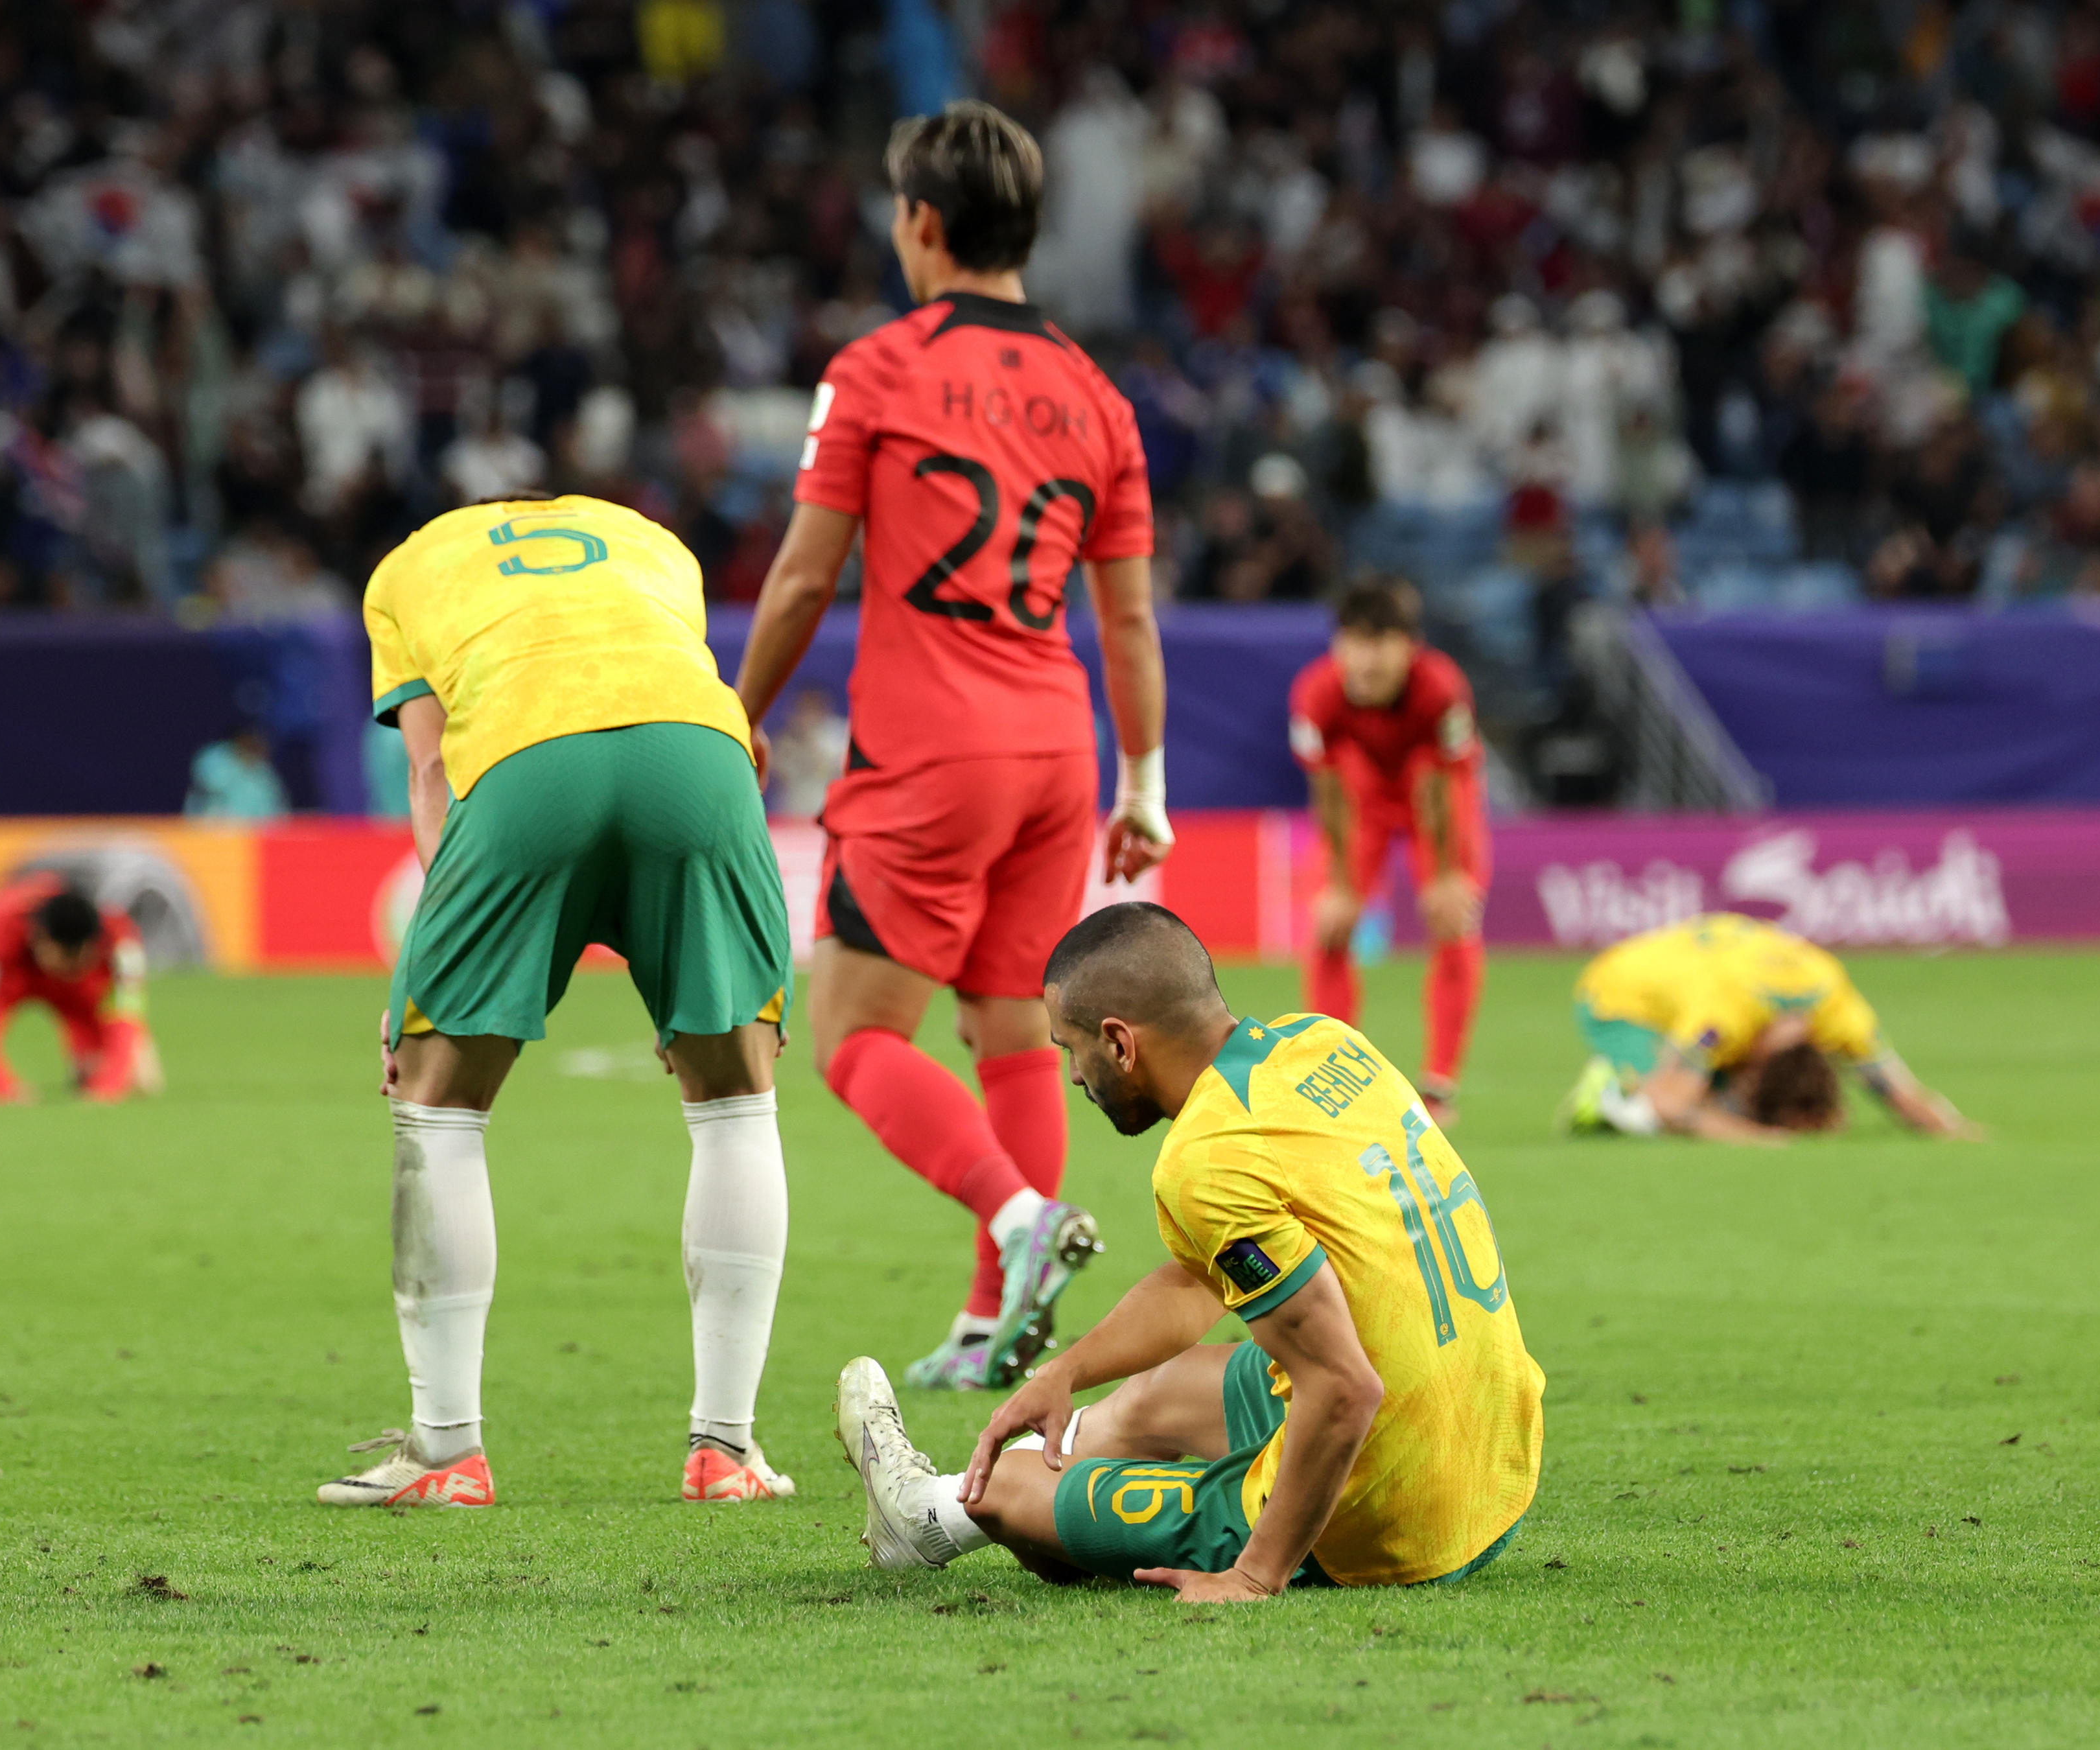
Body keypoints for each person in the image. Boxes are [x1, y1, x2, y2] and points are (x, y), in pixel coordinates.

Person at [735, 100, 1172, 1393]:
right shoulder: (1098, 396)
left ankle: (1018, 1219)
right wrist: (1142, 780)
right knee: (1014, 1033)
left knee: (856, 1034)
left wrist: (741, 707)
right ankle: (991, 1328)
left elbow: (808, 576)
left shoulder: (875, 368)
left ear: (920, 224)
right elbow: (1131, 616)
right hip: (1058, 745)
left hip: (932, 748)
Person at [831, 902, 1543, 1599]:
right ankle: (1017, 1501)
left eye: (1068, 1048)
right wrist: (1065, 1372)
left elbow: (1345, 1387)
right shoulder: (1322, 1043)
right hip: (1490, 1456)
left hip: (1393, 1510)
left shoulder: (1205, 1159)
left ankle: (927, 1514)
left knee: (1011, 1495)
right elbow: (1197, 1282)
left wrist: (1252, 1574)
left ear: (1118, 1042)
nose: (1074, 1076)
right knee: (1159, 1393)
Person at [321, 492, 797, 1511]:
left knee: (439, 1108)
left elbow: (429, 774)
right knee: (735, 1103)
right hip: (701, 755)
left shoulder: (407, 569)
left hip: (529, 760)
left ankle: (447, 1452)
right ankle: (727, 1453)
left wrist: (427, 977)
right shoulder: (657, 544)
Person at [1288, 576, 1489, 1121]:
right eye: (1355, 643)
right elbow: (1327, 789)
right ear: (1338, 645)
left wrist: (1448, 875)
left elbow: (1447, 783)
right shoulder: (1316, 695)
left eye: (1380, 646)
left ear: (1409, 647)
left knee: (1454, 923)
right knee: (1330, 925)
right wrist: (1339, 883)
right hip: (1364, 797)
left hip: (1435, 796)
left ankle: (1439, 1087)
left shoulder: (1442, 690)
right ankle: (1335, 1072)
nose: (1367, 663)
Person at [1556, 913, 1979, 1143]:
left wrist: (1952, 1128)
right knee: (1658, 1114)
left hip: (1700, 971)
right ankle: (1607, 1095)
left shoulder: (1835, 1009)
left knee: (1709, 1098)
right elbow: (1672, 1105)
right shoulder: (1726, 1015)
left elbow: (1901, 1094)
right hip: (1619, 995)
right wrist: (1754, 1135)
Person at [0, 874, 163, 1103]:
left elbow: (127, 1012)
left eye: (80, 961)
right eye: (64, 959)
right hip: (5, 986)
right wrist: (2, 1087)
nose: (69, 969)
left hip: (81, 996)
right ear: (39, 939)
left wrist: (107, 1088)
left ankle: (85, 1064)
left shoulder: (121, 938)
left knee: (141, 1080)